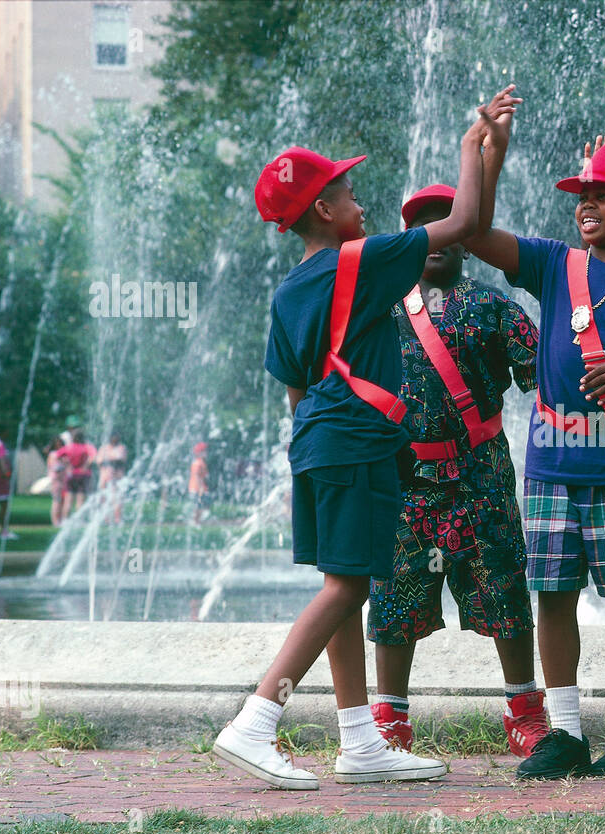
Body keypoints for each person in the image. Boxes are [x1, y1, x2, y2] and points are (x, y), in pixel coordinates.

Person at [212, 93, 510, 790]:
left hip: (316, 442)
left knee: (343, 586)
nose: (363, 205)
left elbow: (293, 387)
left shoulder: (288, 291)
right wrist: (474, 145)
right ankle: (257, 718)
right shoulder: (366, 259)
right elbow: (464, 223)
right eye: (350, 194)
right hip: (356, 442)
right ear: (323, 209)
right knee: (350, 585)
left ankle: (360, 741)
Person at [465, 123, 605, 780]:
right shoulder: (555, 263)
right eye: (582, 195)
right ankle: (565, 731)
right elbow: (474, 234)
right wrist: (491, 155)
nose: (587, 204)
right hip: (552, 468)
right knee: (551, 594)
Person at [370, 171, 549, 758]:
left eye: (448, 223)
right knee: (395, 598)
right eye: (424, 226)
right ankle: (390, 717)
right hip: (405, 484)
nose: (437, 237)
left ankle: (524, 709)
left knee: (505, 592)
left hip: (482, 482)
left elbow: (546, 378)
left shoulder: (494, 307)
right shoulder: (381, 310)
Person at [58, 428, 96, 519]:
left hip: (71, 474)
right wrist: (86, 465)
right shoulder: (86, 447)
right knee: (80, 500)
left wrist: (66, 464)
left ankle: (65, 521)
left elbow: (58, 455)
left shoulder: (69, 447)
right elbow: (94, 456)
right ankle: (79, 521)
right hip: (83, 474)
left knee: (68, 500)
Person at [97, 433, 128, 522]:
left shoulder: (122, 447)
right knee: (104, 497)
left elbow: (122, 461)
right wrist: (112, 461)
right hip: (105, 476)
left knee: (117, 497)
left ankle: (117, 517)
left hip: (118, 476)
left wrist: (111, 461)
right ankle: (105, 518)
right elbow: (99, 461)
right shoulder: (104, 448)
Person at [45, 436, 68, 527]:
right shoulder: (54, 454)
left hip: (63, 480)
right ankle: (55, 521)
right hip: (57, 480)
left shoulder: (62, 454)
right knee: (57, 500)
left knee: (63, 501)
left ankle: (61, 520)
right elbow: (56, 468)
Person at [188, 441, 210, 526]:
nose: (206, 453)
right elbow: (197, 476)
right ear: (199, 453)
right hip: (196, 488)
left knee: (201, 505)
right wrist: (201, 488)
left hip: (199, 488)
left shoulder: (201, 462)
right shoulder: (198, 463)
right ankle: (195, 522)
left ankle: (197, 521)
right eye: (204, 451)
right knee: (198, 506)